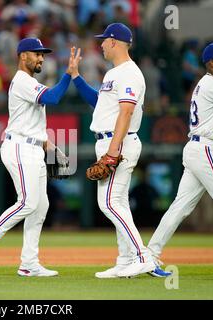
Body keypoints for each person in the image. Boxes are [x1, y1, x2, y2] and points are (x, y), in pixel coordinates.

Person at [0, 37, 79, 277]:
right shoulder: (21, 81)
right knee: (28, 201)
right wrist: (68, 74)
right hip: (18, 147)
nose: (41, 57)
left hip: (32, 147)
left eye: (42, 54)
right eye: (36, 53)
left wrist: (47, 143)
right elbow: (53, 98)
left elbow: (30, 121)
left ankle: (29, 263)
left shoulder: (30, 81)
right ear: (22, 56)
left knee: (41, 206)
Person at [69, 23, 164, 278]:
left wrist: (112, 151)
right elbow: (100, 104)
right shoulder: (114, 73)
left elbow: (126, 111)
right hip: (111, 141)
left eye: (103, 40)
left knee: (109, 203)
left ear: (114, 42)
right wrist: (76, 77)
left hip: (119, 143)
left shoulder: (130, 73)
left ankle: (143, 257)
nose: (100, 44)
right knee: (119, 202)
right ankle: (125, 261)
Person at [148, 42, 213, 279]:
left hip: (199, 148)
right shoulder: (212, 85)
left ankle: (149, 256)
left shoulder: (208, 86)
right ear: (212, 63)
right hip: (206, 152)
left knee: (180, 207)